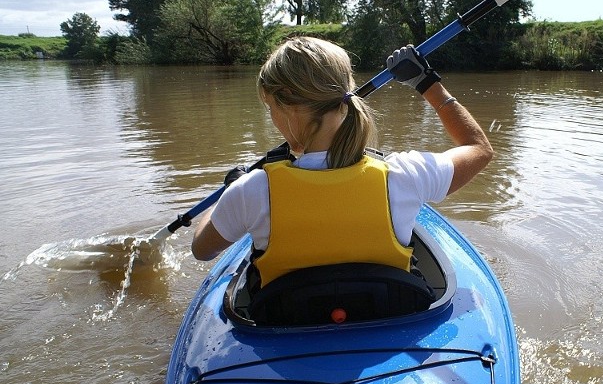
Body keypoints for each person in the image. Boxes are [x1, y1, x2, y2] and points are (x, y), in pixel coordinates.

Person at [192, 36, 493, 291]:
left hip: (286, 323)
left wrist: (228, 191)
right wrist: (426, 82)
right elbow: (479, 148)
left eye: (271, 108)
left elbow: (201, 250)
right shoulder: (405, 175)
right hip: (385, 315)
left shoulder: (251, 192)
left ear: (287, 108)